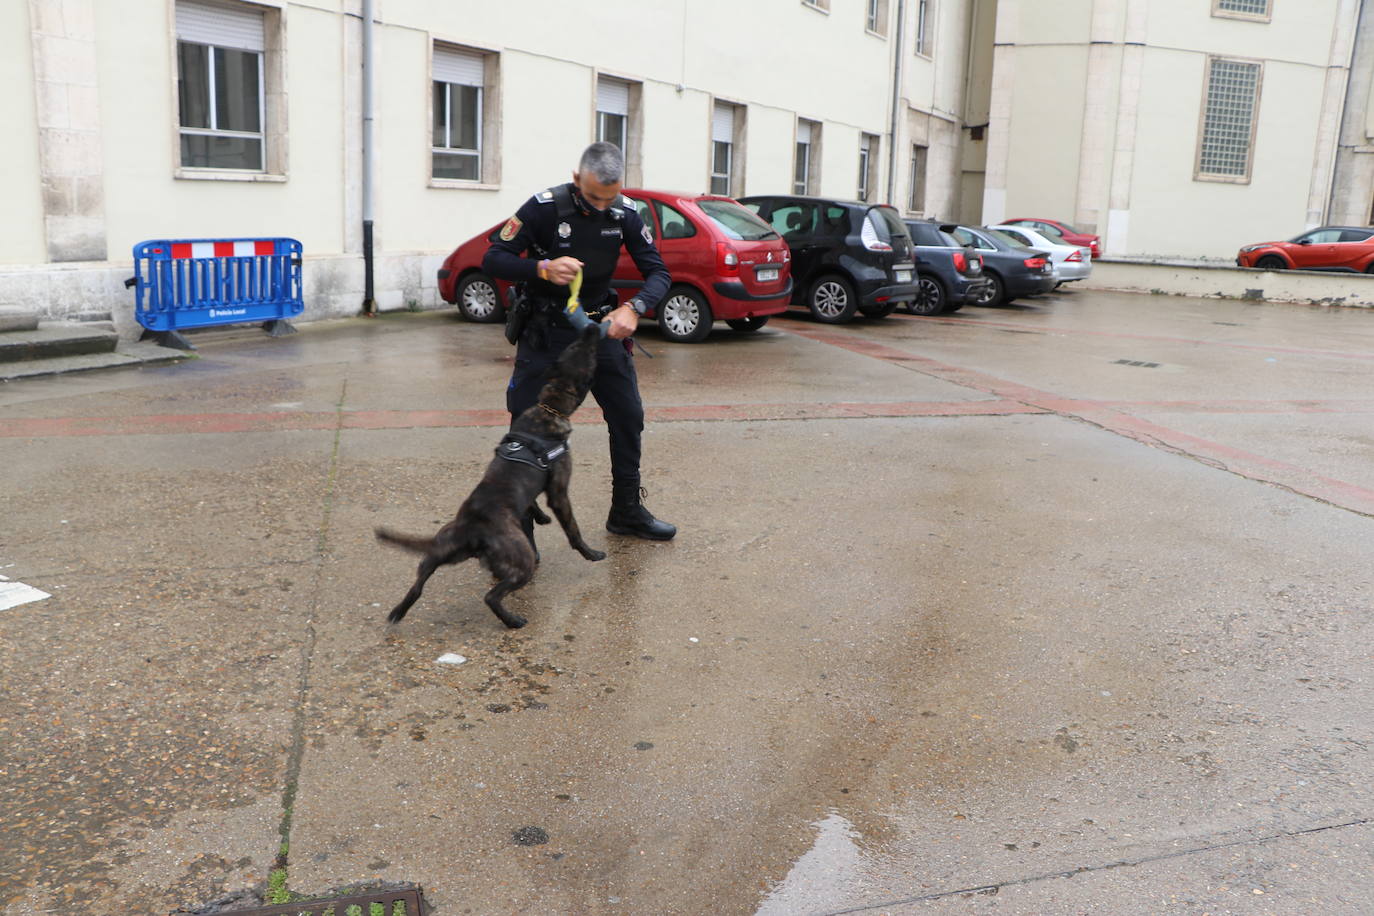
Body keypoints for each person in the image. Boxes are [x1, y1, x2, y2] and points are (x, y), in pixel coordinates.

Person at [482, 141, 676, 542]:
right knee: (528, 428)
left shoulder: (625, 213)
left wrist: (634, 308)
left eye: (610, 197)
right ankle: (522, 529)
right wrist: (542, 267)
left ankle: (626, 511)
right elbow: (494, 257)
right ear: (576, 179)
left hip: (597, 331)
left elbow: (659, 273)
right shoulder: (544, 208)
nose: (601, 207)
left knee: (628, 417)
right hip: (546, 332)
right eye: (592, 197)